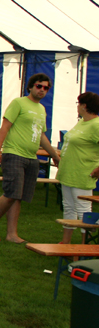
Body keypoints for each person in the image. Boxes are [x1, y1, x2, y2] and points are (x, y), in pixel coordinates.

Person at [0, 73, 60, 243]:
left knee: (19, 196)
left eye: (46, 88)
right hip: (14, 154)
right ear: (31, 87)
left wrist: (54, 155)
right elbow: (5, 127)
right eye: (39, 86)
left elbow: (41, 135)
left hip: (31, 157)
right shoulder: (18, 103)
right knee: (11, 193)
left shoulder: (42, 109)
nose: (42, 90)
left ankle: (12, 234)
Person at [57, 91, 99, 243]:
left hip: (83, 173)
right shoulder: (82, 122)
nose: (77, 107)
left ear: (84, 106)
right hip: (69, 172)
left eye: (78, 103)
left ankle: (85, 244)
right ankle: (65, 241)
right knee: (68, 207)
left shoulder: (96, 125)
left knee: (83, 210)